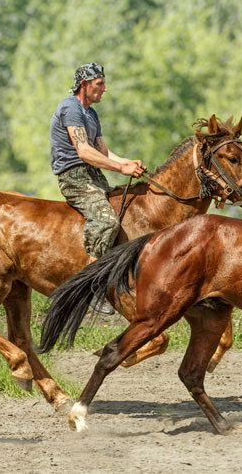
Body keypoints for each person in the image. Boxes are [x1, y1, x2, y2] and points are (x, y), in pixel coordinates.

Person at [50, 63, 146, 313]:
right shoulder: (70, 108)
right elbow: (83, 151)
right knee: (106, 221)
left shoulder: (90, 113)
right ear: (85, 85)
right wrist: (121, 169)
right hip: (74, 177)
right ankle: (91, 288)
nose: (105, 89)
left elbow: (102, 152)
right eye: (99, 84)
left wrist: (126, 161)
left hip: (93, 175)